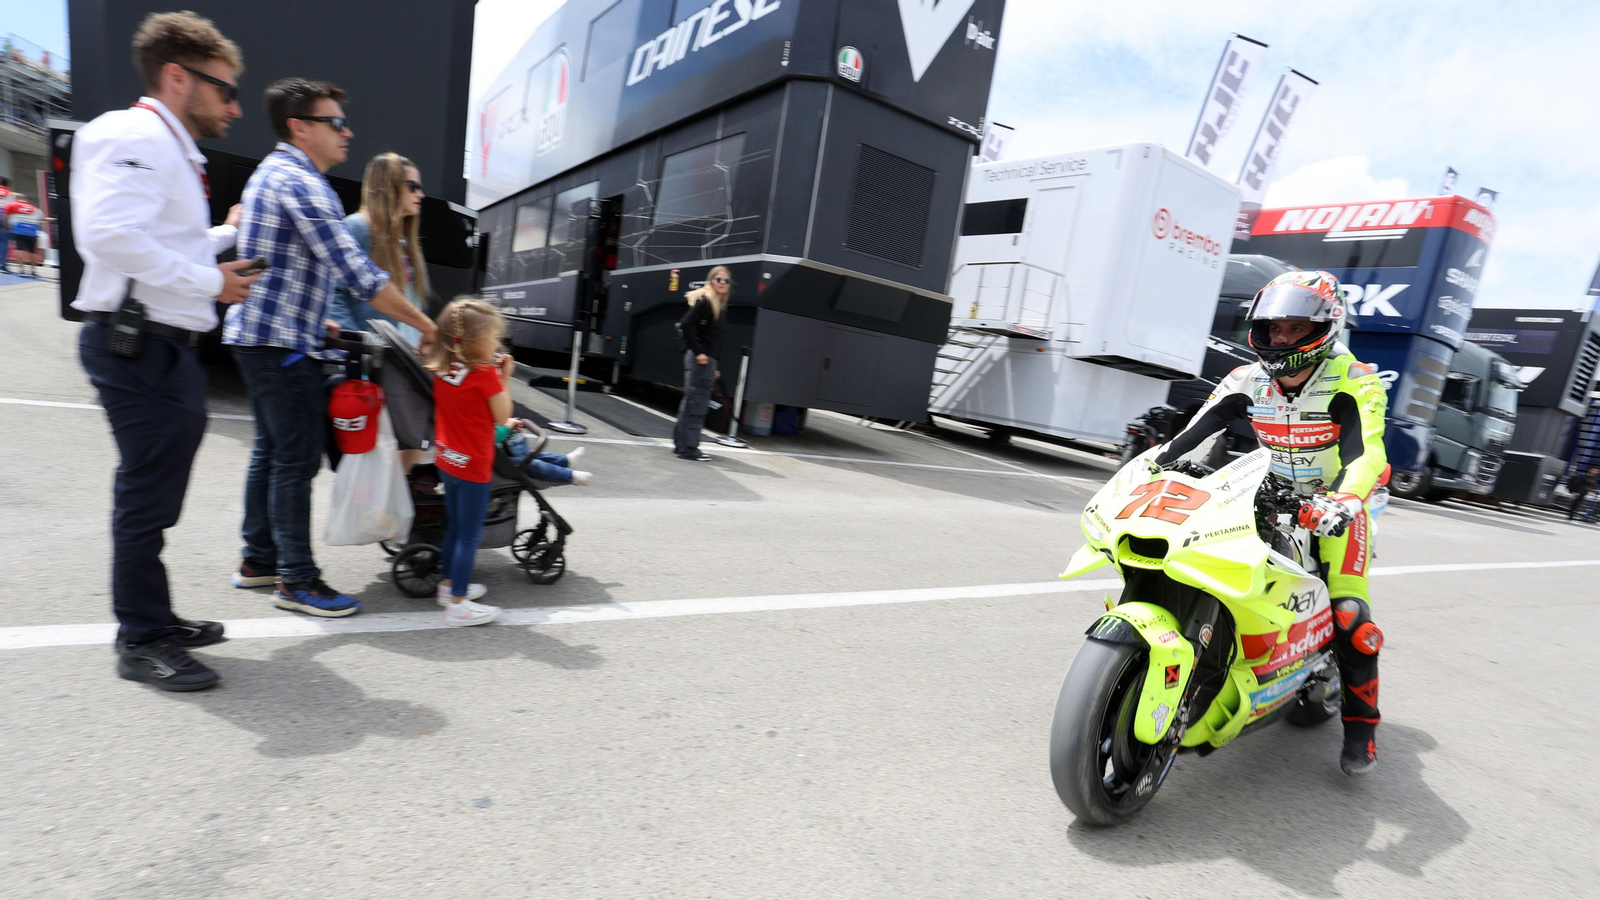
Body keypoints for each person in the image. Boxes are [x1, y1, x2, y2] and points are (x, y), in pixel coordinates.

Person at [71, 11, 260, 690]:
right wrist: (212, 280)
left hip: (161, 346)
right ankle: (142, 638)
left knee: (158, 497)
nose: (235, 107)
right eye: (225, 90)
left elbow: (158, 242)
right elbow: (110, 237)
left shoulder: (166, 145)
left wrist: (218, 239)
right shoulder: (135, 134)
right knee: (147, 498)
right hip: (137, 345)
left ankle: (152, 616)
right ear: (179, 76)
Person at [1155, 270, 1388, 776]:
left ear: (1324, 327)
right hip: (1264, 492)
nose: (1281, 338)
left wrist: (1344, 501)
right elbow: (1193, 434)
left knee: (1351, 617)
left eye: (1294, 328)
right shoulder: (1245, 380)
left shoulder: (1355, 380)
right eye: (1273, 328)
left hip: (1334, 507)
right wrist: (1152, 466)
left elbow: (1368, 454)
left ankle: (1362, 727)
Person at [224, 77, 438, 618]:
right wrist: (421, 323)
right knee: (294, 461)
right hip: (281, 342)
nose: (348, 132)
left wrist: (330, 327)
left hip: (266, 335)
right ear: (301, 127)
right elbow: (356, 273)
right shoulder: (301, 183)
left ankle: (260, 560)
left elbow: (300, 273)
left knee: (272, 453)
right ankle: (296, 580)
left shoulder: (274, 175)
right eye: (335, 123)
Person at [424, 297, 519, 626]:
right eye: (494, 336)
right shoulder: (485, 376)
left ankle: (448, 585)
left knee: (454, 528)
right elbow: (503, 416)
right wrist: (504, 379)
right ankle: (459, 605)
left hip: (447, 459)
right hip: (474, 465)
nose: (498, 343)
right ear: (478, 340)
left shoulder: (442, 367)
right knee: (469, 536)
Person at [328, 152, 429, 344]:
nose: (420, 194)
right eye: (413, 187)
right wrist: (357, 346)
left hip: (405, 360)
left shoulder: (406, 243)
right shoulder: (357, 227)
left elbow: (414, 304)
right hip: (370, 361)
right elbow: (333, 294)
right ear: (389, 185)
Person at [672, 265, 729, 461]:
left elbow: (712, 338)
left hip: (706, 362)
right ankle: (689, 448)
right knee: (697, 404)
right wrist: (700, 353)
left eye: (726, 281)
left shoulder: (717, 304)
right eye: (718, 279)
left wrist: (714, 366)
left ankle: (681, 445)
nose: (722, 283)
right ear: (711, 281)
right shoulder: (706, 301)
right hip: (700, 361)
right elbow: (686, 324)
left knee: (690, 402)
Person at [4, 192, 45, 277]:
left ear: (17, 199)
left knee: (19, 249)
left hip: (19, 230)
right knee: (32, 251)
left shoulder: (12, 205)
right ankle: (33, 272)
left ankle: (22, 270)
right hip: (32, 232)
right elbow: (43, 219)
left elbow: (5, 217)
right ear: (26, 200)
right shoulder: (35, 209)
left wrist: (7, 226)